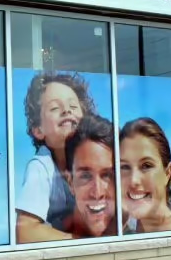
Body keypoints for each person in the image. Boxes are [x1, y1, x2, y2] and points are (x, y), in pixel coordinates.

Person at [15, 72, 96, 243]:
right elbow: (26, 232)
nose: (66, 110)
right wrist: (81, 242)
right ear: (38, 130)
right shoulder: (41, 166)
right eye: (54, 108)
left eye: (73, 107)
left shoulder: (100, 156)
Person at [64, 114, 116, 237]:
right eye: (86, 176)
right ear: (70, 182)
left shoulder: (139, 233)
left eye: (107, 175)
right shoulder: (46, 239)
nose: (97, 193)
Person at [120, 117, 171, 234]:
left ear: (167, 173)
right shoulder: (122, 234)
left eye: (146, 166)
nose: (133, 180)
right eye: (125, 167)